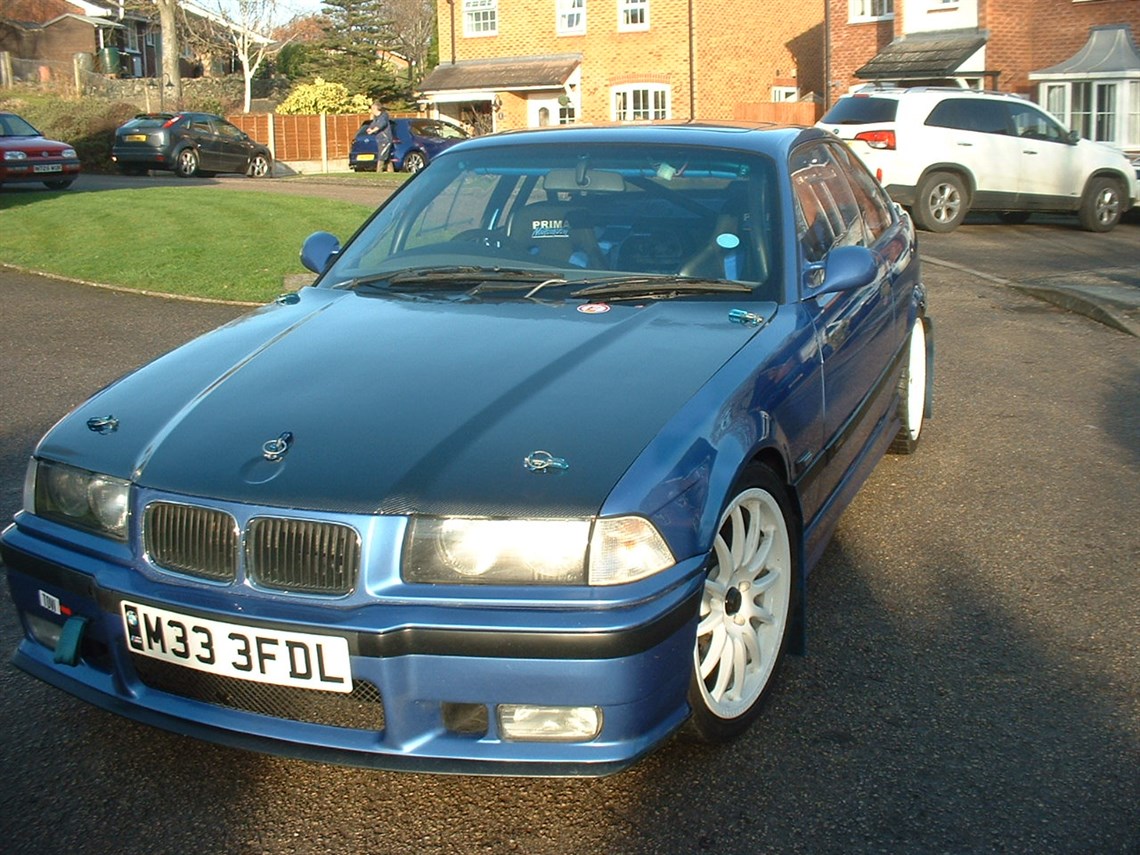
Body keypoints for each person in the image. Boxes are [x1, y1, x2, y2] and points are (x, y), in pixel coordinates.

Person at [365, 101, 395, 172]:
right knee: (386, 156)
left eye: (372, 108)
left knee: (381, 155)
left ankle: (379, 171)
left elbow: (381, 125)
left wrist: (372, 131)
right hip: (379, 139)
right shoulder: (376, 118)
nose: (371, 110)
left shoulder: (383, 116)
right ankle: (391, 172)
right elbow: (373, 124)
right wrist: (369, 128)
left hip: (385, 139)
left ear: (376, 108)